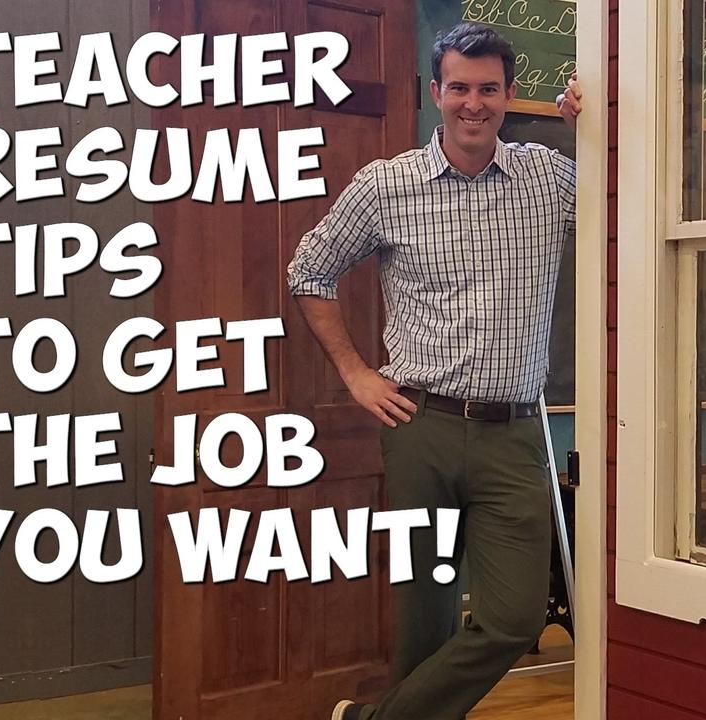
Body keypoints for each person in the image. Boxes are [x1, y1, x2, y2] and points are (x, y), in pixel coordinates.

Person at [286, 21, 583, 720]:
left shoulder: (550, 177)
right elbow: (308, 272)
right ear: (435, 92)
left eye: (488, 89)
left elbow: (626, 203)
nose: (473, 103)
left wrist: (589, 127)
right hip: (421, 427)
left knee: (512, 618)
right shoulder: (385, 185)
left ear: (510, 94)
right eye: (459, 88)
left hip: (514, 435)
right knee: (424, 621)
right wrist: (356, 373)